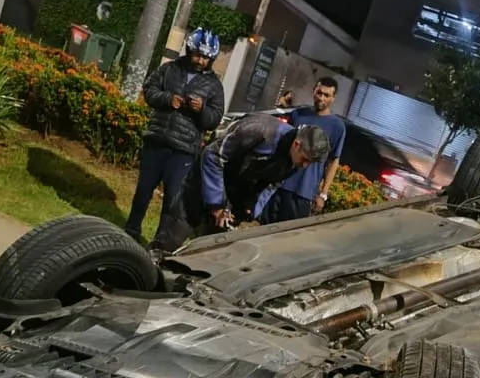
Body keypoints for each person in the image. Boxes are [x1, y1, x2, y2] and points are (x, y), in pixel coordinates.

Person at [151, 113, 330, 250]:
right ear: (297, 144)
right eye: (305, 159)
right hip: (205, 179)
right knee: (169, 241)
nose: (305, 166)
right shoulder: (260, 130)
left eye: (310, 163)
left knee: (210, 253)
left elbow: (271, 185)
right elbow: (213, 155)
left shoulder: (295, 161)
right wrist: (216, 204)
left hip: (235, 194)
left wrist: (251, 209)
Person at [125, 29, 225, 242]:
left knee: (172, 200)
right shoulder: (169, 69)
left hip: (184, 151)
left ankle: (160, 242)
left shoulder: (215, 85)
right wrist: (168, 99)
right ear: (189, 50)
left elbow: (215, 118)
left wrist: (201, 109)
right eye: (197, 54)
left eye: (206, 57)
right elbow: (149, 90)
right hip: (157, 140)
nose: (200, 60)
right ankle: (131, 231)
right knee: (143, 190)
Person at [271, 76, 347, 221]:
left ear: (333, 98)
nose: (321, 98)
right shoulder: (298, 114)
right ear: (313, 91)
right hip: (280, 184)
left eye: (327, 95)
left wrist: (323, 194)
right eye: (319, 93)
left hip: (303, 192)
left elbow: (333, 162)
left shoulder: (337, 127)